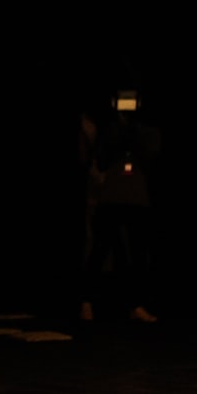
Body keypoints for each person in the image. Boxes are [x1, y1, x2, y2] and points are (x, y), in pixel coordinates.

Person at [78, 88, 162, 325]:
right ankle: (87, 302)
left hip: (136, 196)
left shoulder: (143, 130)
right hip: (111, 196)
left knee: (137, 253)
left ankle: (135, 304)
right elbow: (101, 157)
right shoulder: (110, 129)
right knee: (101, 249)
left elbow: (151, 155)